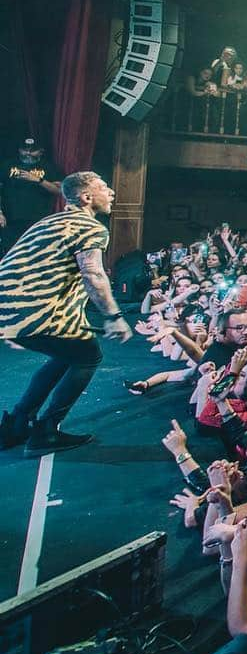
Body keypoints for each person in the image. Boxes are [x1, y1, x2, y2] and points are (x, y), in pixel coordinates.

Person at [0, 171, 132, 454]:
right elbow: (93, 274)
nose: (111, 193)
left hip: (10, 310)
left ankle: (18, 424)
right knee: (88, 355)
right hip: (34, 312)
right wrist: (113, 316)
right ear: (86, 197)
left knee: (66, 355)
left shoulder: (50, 221)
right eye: (104, 188)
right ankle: (46, 431)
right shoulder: (90, 227)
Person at [0, 137, 61, 254]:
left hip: (39, 220)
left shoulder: (49, 167)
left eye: (32, 150)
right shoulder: (6, 165)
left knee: (36, 254)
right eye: (24, 149)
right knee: (11, 253)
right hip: (11, 219)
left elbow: (59, 190)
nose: (28, 153)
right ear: (19, 150)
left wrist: (38, 180)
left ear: (41, 151)